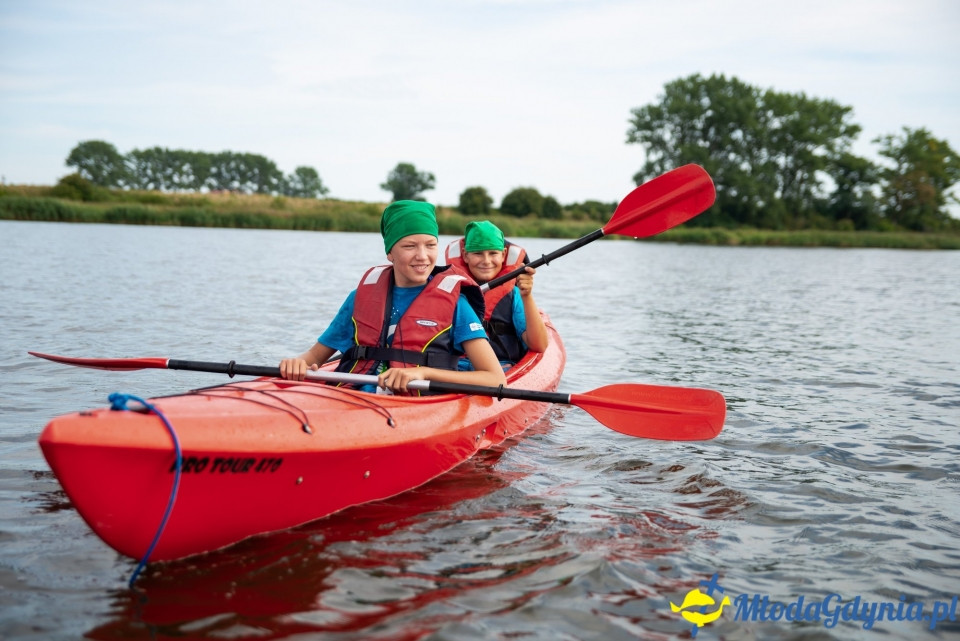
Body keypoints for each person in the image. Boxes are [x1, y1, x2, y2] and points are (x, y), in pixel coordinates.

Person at [279, 201, 506, 395]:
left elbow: (494, 378)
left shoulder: (456, 304)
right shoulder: (359, 298)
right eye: (409, 246)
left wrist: (422, 372)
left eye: (430, 245)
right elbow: (313, 356)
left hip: (418, 403)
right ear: (390, 252)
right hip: (353, 398)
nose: (422, 256)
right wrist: (297, 363)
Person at [444, 220, 549, 370]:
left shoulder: (513, 293)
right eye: (478, 253)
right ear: (465, 256)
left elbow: (539, 345)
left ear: (503, 255)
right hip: (454, 367)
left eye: (493, 253)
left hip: (501, 368)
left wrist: (527, 296)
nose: (486, 261)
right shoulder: (446, 288)